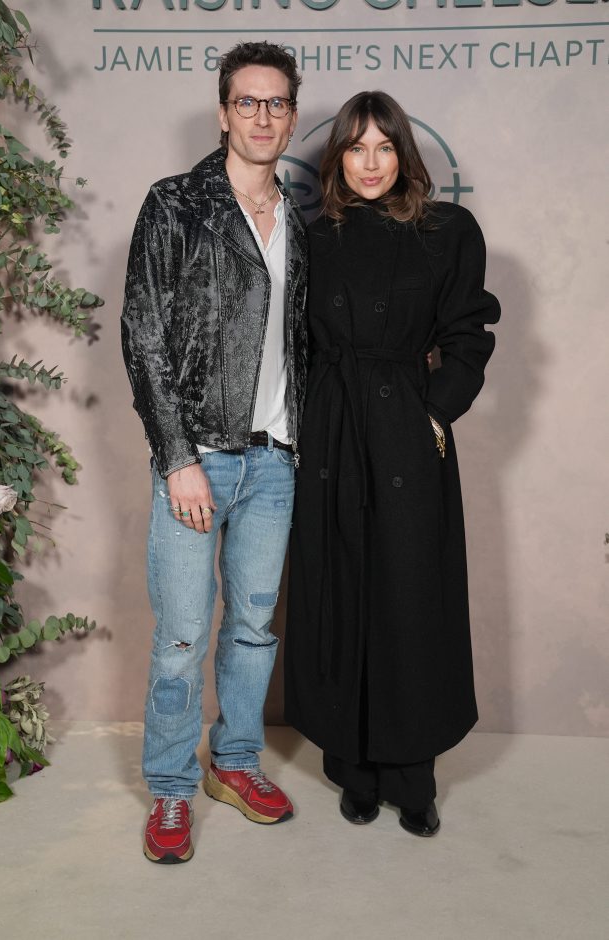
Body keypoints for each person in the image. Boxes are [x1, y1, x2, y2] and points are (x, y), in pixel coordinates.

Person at [284, 91, 500, 837]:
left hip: (407, 429)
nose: (370, 163)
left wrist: (434, 412)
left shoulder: (448, 231)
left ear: (404, 155)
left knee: (411, 597)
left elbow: (469, 332)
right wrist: (304, 425)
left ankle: (413, 777)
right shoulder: (311, 237)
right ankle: (353, 770)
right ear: (338, 158)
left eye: (384, 147)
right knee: (339, 590)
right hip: (332, 430)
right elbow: (293, 343)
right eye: (356, 148)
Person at [121, 42, 307, 864]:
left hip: (276, 462)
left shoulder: (300, 220)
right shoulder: (176, 204)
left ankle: (234, 763)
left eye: (276, 103)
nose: (262, 116)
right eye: (247, 102)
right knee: (183, 637)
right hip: (199, 457)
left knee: (254, 628)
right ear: (224, 112)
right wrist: (177, 458)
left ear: (291, 117)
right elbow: (143, 336)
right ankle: (170, 788)